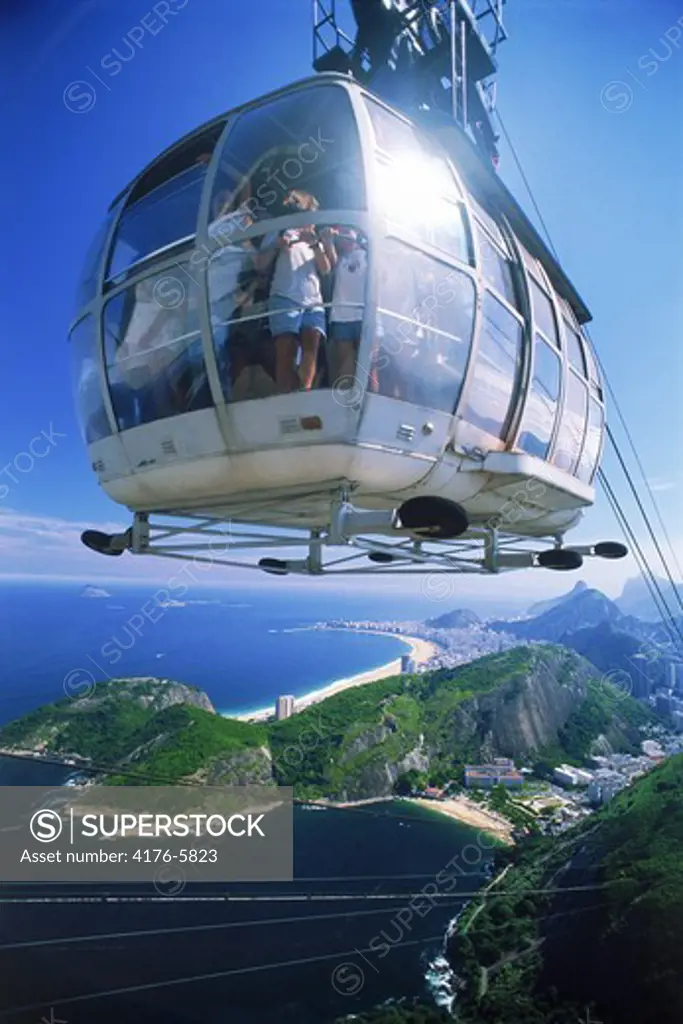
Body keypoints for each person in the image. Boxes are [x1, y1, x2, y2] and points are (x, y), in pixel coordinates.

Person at [257, 190, 336, 393]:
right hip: (284, 297)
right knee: (286, 349)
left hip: (313, 301)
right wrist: (277, 245)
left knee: (311, 348)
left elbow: (325, 269)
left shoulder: (314, 238)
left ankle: (305, 391)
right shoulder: (279, 231)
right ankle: (286, 394)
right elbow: (260, 264)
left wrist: (315, 244)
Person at [327, 227, 368, 387]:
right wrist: (328, 239)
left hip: (364, 315)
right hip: (341, 317)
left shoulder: (368, 255)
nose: (345, 240)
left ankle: (369, 404)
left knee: (368, 367)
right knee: (345, 366)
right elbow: (330, 264)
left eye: (347, 234)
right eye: (341, 236)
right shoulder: (339, 259)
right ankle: (345, 404)